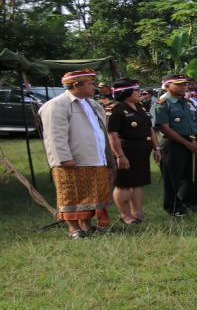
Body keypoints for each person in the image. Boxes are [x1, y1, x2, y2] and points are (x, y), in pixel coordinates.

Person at [38, 69, 115, 239]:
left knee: (91, 194)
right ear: (76, 85)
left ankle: (87, 226)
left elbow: (101, 130)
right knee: (71, 195)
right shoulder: (56, 105)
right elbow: (54, 136)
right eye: (90, 83)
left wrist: (107, 156)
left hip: (95, 158)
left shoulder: (93, 105)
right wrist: (64, 158)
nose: (94, 87)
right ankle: (74, 229)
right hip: (72, 160)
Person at [106, 78, 160, 224]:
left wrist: (157, 148)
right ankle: (125, 215)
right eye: (136, 90)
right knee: (123, 183)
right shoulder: (115, 109)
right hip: (126, 150)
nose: (139, 92)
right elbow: (112, 134)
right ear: (125, 92)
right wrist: (120, 155)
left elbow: (150, 129)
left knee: (138, 182)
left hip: (142, 150)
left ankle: (137, 213)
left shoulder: (139, 106)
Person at [153, 75, 197, 217]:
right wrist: (186, 143)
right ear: (167, 86)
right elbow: (165, 128)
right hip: (173, 143)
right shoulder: (163, 103)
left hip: (192, 141)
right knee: (173, 177)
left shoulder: (189, 103)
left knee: (192, 175)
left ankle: (190, 203)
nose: (184, 87)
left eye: (185, 84)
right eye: (179, 84)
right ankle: (174, 206)